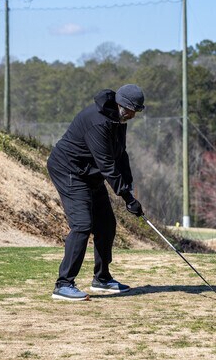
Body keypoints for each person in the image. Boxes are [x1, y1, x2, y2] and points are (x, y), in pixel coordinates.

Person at [47, 84, 145, 301]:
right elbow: (107, 165)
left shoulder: (118, 120)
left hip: (90, 173)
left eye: (136, 111)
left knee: (106, 224)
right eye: (131, 110)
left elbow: (120, 155)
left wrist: (129, 189)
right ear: (122, 105)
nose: (133, 115)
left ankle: (102, 279)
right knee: (82, 224)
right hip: (69, 170)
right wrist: (127, 198)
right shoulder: (98, 122)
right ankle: (63, 284)